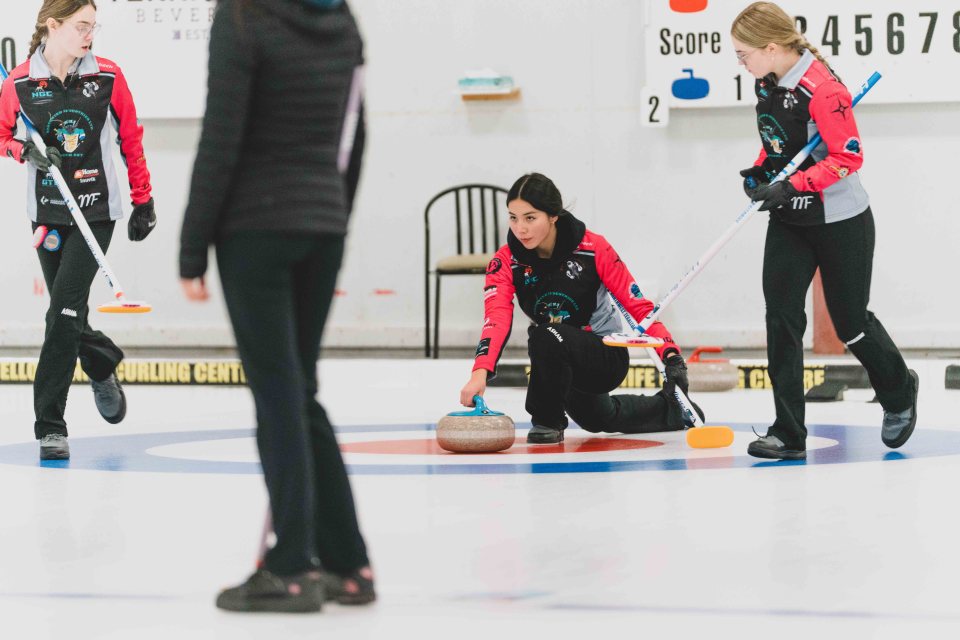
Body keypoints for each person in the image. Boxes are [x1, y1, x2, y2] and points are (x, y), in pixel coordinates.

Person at [179, 0, 372, 614]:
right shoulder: (339, 16)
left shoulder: (241, 14)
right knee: (300, 389)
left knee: (278, 393)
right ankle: (348, 566)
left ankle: (291, 567)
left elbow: (222, 130)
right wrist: (331, 210)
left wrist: (191, 248)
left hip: (256, 228)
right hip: (322, 225)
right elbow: (356, 131)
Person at [731, 2, 918, 460]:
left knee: (851, 324)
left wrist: (791, 182)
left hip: (840, 221)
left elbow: (847, 158)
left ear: (772, 47)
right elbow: (780, 142)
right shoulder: (766, 82)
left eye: (744, 54)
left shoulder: (824, 89)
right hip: (791, 220)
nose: (740, 63)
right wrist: (761, 172)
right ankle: (789, 433)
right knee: (782, 320)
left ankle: (899, 390)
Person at [0, 0, 157, 461]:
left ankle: (50, 426)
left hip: (97, 212)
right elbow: (1, 135)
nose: (91, 33)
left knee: (61, 315)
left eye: (93, 25)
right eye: (82, 25)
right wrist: (23, 152)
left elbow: (130, 136)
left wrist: (144, 199)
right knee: (67, 312)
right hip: (47, 216)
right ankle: (101, 361)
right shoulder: (21, 83)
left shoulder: (107, 75)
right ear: (54, 26)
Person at [459, 173, 701, 444]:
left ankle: (546, 422)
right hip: (557, 360)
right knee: (598, 417)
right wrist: (479, 373)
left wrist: (671, 356)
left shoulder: (594, 248)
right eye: (513, 217)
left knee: (544, 334)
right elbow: (496, 319)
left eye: (530, 217)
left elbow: (638, 307)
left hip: (604, 355)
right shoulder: (506, 261)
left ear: (553, 216)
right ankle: (671, 410)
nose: (520, 228)